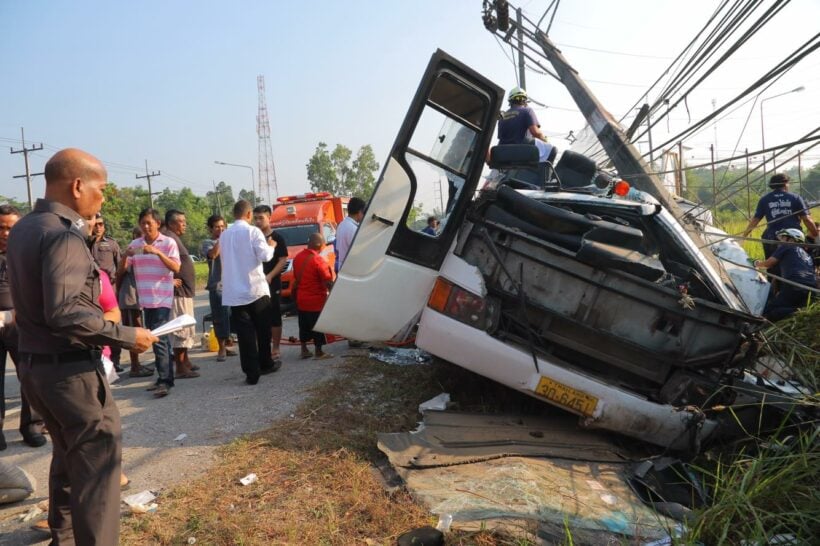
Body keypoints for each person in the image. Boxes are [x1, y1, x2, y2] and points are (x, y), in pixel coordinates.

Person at [7, 148, 156, 545]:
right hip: (71, 373)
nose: (103, 197)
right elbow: (66, 312)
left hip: (37, 369)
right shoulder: (63, 233)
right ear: (77, 186)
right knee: (99, 475)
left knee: (69, 457)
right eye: (100, 189)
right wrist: (128, 336)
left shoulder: (25, 228)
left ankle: (66, 536)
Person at [0, 204, 46, 450]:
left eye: (11, 228)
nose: (6, 233)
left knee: (30, 376)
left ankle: (32, 426)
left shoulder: (29, 254)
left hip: (22, 323)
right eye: (1, 228)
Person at [121, 207, 180, 398]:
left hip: (162, 297)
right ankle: (165, 377)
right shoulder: (135, 244)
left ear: (158, 224)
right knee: (156, 339)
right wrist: (125, 255)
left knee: (160, 339)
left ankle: (165, 381)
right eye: (143, 223)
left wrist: (156, 252)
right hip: (145, 300)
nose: (146, 226)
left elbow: (176, 267)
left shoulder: (168, 242)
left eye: (149, 223)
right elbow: (121, 270)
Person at [220, 200, 278, 384]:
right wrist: (272, 245)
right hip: (255, 289)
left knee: (245, 336)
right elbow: (265, 256)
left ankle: (251, 374)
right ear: (249, 214)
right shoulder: (253, 231)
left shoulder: (224, 235)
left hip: (235, 294)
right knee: (262, 331)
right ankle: (266, 364)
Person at [741, 173, 818, 265]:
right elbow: (806, 219)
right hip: (792, 238)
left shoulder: (765, 199)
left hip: (771, 237)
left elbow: (755, 220)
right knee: (799, 263)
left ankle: (772, 278)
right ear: (785, 184)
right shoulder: (795, 198)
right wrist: (816, 235)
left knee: (772, 266)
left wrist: (744, 236)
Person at [162, 209, 199, 378]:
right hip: (178, 292)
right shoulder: (168, 238)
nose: (184, 225)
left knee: (187, 328)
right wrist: (169, 281)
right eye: (181, 222)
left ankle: (186, 361)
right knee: (180, 329)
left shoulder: (174, 238)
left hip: (185, 291)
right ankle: (180, 367)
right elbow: (163, 263)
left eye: (185, 221)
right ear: (171, 223)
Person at [754, 228, 817, 321]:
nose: (780, 242)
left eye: (782, 238)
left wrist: (756, 263)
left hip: (793, 285)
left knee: (768, 310)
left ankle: (798, 312)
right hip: (810, 289)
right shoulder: (807, 256)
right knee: (790, 304)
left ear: (790, 239)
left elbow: (769, 264)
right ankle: (802, 310)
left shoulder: (787, 246)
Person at [253, 205, 289, 364]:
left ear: (269, 218)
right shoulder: (253, 237)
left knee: (274, 314)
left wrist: (270, 276)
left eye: (261, 218)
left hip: (272, 282)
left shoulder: (277, 238)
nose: (258, 221)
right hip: (255, 283)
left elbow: (282, 260)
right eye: (255, 218)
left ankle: (276, 347)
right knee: (259, 315)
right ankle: (263, 347)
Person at [292, 233, 336, 359]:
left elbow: (297, 277)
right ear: (320, 245)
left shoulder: (298, 257)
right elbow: (327, 281)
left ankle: (304, 349)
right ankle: (319, 352)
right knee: (317, 327)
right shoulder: (318, 260)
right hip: (316, 301)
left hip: (301, 299)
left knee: (304, 325)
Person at [90, 212, 124, 371]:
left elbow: (121, 266)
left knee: (113, 325)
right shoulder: (83, 244)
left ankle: (115, 360)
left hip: (110, 291)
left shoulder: (111, 244)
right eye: (95, 224)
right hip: (90, 293)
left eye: (101, 224)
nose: (98, 227)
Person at [201, 214, 236, 361]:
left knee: (231, 316)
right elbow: (213, 254)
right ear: (210, 229)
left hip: (233, 283)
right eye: (217, 227)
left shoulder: (231, 240)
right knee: (219, 317)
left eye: (223, 226)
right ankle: (221, 348)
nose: (220, 229)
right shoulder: (208, 242)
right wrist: (223, 238)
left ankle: (229, 343)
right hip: (217, 285)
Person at [119, 226, 152, 377]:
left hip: (139, 297)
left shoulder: (146, 251)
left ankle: (137, 364)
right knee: (134, 330)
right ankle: (134, 366)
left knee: (140, 329)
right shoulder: (131, 251)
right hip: (130, 296)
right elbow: (120, 272)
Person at [335, 196, 366, 271]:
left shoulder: (341, 225)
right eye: (364, 212)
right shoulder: (353, 229)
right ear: (359, 212)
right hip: (350, 267)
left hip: (342, 265)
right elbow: (358, 252)